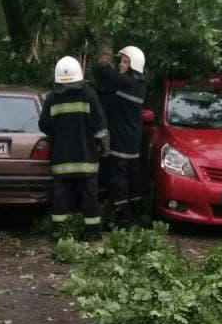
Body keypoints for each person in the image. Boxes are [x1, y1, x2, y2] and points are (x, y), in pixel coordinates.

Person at [39, 56, 110, 239]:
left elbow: (44, 125)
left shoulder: (52, 99)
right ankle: (92, 233)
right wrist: (104, 149)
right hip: (86, 159)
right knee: (90, 197)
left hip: (61, 159)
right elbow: (100, 127)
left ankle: (60, 233)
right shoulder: (89, 95)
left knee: (61, 198)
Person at [94, 45, 147, 225]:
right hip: (132, 138)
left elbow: (101, 72)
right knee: (132, 176)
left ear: (134, 65)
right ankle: (136, 214)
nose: (121, 65)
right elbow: (108, 94)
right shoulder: (136, 84)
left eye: (125, 61)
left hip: (122, 140)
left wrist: (104, 62)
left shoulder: (128, 83)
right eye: (121, 61)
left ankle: (123, 216)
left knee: (118, 176)